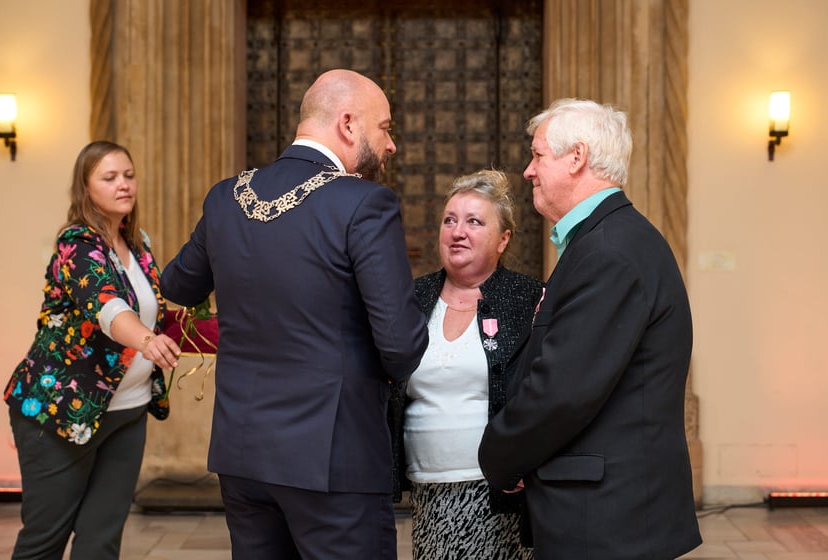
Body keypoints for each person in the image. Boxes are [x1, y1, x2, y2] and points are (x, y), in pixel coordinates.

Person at [160, 69, 429, 560]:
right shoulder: (364, 203)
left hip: (242, 452)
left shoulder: (227, 198)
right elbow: (401, 343)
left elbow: (178, 284)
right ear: (348, 124)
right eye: (385, 128)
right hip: (333, 456)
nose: (390, 145)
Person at [478, 99, 702, 559]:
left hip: (605, 517)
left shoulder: (608, 250)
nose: (528, 171)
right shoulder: (609, 239)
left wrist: (501, 457)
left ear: (576, 157)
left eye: (538, 155)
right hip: (607, 510)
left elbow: (564, 389)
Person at [3, 140, 182, 560]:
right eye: (109, 177)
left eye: (129, 175)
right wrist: (146, 341)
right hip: (60, 413)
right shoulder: (77, 244)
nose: (124, 185)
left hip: (128, 411)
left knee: (101, 540)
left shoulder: (138, 244)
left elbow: (154, 309)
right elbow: (107, 306)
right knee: (45, 539)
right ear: (86, 189)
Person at [389, 169, 543, 559]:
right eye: (450, 220)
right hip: (427, 487)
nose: (458, 231)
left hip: (498, 489)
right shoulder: (413, 296)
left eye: (474, 221)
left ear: (503, 239)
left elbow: (546, 389)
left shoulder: (528, 298)